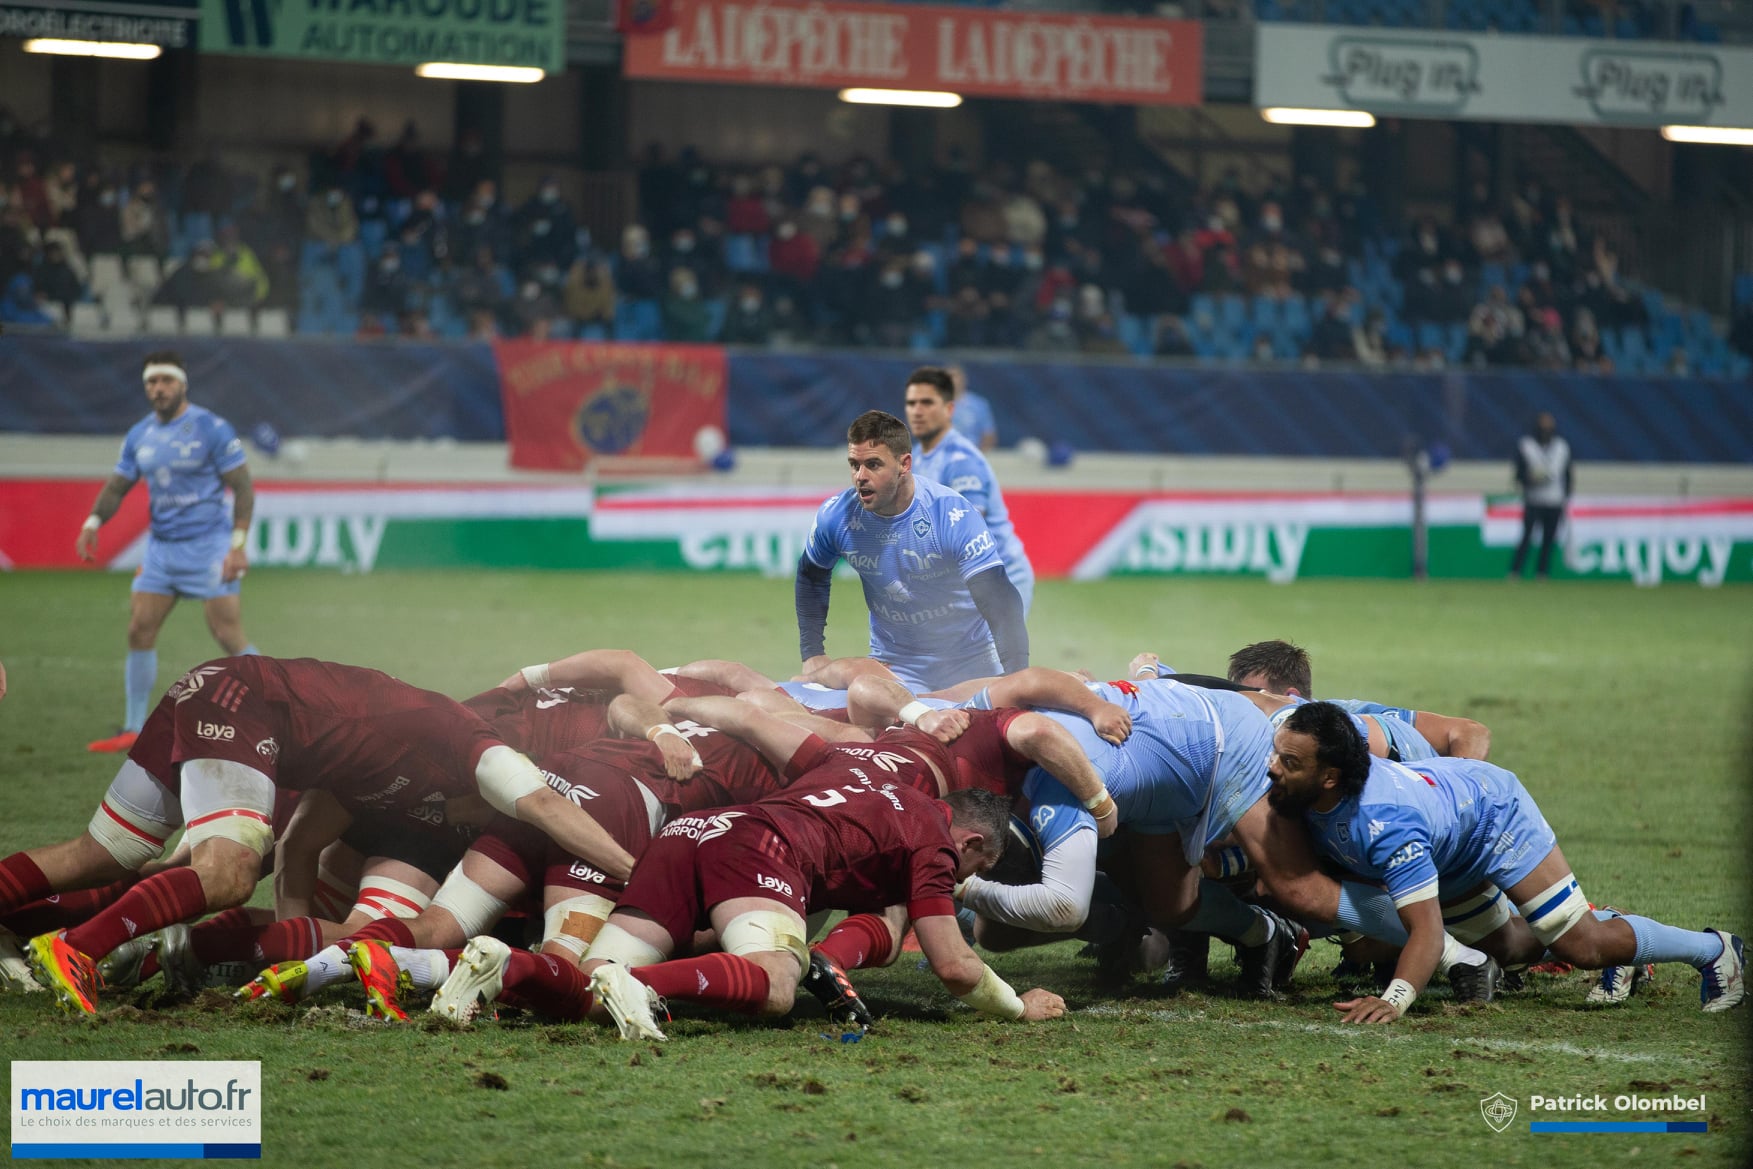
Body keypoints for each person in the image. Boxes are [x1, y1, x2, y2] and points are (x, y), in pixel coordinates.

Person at [7, 655, 641, 1015]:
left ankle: (21, 924)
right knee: (226, 873)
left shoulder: (398, 774)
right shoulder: (469, 744)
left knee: (110, 854)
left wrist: (295, 951)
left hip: (215, 699)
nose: (488, 826)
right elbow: (542, 803)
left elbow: (301, 849)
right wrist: (631, 869)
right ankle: (82, 950)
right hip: (242, 706)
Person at [430, 774, 1066, 1037]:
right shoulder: (934, 841)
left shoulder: (882, 787)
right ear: (972, 840)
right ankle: (638, 983)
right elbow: (953, 966)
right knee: (776, 983)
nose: (957, 883)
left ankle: (506, 967)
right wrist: (1018, 1003)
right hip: (760, 850)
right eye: (970, 868)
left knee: (589, 997)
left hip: (692, 835)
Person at [1268, 702, 1745, 1021]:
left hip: (1494, 815)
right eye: (1277, 754)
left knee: (1582, 946)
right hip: (1447, 835)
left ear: (1330, 777)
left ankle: (1714, 950)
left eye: (1289, 762)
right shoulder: (1308, 781)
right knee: (1513, 949)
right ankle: (1624, 939)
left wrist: (1394, 1000)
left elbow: (1429, 933)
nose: (1272, 767)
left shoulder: (1385, 824)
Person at [76, 352, 257, 754]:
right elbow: (118, 485)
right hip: (161, 550)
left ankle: (279, 708)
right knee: (139, 629)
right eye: (151, 382)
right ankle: (132, 728)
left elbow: (243, 487)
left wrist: (238, 546)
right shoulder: (140, 434)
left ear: (182, 384)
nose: (158, 389)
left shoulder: (211, 428)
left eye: (165, 381)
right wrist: (92, 522)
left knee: (227, 634)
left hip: (208, 548)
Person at [795, 410, 1028, 693]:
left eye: (873, 464)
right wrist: (811, 652)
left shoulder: (951, 514)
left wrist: (1017, 676)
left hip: (971, 661)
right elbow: (811, 574)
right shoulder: (838, 516)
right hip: (895, 664)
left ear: (904, 464)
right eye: (854, 465)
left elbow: (999, 599)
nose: (860, 477)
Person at [904, 367, 1035, 613]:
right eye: (912, 404)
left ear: (949, 409)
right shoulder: (918, 457)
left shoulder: (962, 461)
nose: (918, 411)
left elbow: (966, 528)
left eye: (927, 403)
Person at [1510, 411, 1572, 580]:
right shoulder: (1527, 445)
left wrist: (1566, 496)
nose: (1545, 430)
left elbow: (1567, 475)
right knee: (1526, 537)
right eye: (1543, 426)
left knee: (1549, 539)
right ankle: (1515, 572)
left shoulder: (1561, 447)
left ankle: (1542, 573)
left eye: (1549, 426)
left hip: (1554, 500)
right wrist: (1530, 479)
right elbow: (1519, 475)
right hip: (1534, 500)